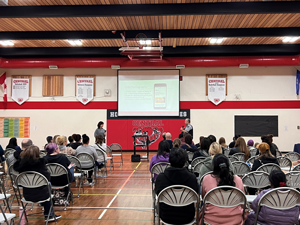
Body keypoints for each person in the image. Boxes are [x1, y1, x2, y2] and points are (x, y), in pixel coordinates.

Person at [13, 145, 61, 222]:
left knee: (44, 186)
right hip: (42, 195)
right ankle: (49, 214)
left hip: (27, 195)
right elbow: (47, 177)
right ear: (38, 154)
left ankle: (45, 208)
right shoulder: (40, 164)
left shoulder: (21, 166)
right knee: (47, 185)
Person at [155, 148, 198, 224]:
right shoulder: (192, 178)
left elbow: (157, 193)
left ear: (170, 160)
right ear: (185, 162)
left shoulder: (161, 178)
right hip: (187, 217)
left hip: (166, 216)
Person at [201, 154, 245, 225]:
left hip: (211, 219)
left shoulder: (207, 179)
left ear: (214, 166)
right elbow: (242, 201)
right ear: (228, 165)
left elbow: (204, 198)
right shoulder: (238, 180)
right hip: (235, 219)